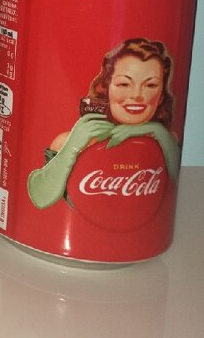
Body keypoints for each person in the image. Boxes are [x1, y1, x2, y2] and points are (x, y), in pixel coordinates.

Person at [28, 37, 181, 209]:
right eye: (124, 84)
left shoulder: (166, 140)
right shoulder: (69, 141)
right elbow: (40, 199)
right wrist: (72, 146)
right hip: (72, 227)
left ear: (161, 96)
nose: (137, 95)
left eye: (151, 85)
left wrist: (157, 131)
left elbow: (174, 185)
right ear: (106, 88)